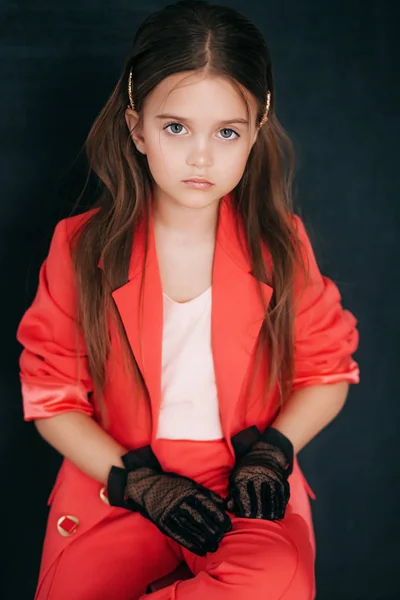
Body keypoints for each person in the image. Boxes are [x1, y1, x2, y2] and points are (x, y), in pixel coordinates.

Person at [16, 1, 360, 598]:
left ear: (256, 131)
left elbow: (328, 371)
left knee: (273, 582)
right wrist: (140, 483)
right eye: (176, 127)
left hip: (242, 484)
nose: (201, 156)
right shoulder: (78, 247)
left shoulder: (280, 244)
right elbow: (53, 399)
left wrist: (274, 452)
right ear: (136, 128)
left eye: (226, 132)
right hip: (118, 478)